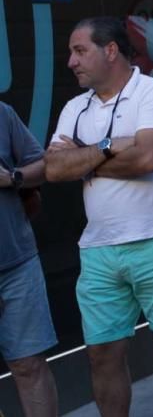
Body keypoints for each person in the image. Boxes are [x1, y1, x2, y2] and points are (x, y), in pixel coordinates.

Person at [44, 17, 153, 416]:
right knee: (101, 353)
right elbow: (54, 169)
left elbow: (148, 158)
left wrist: (84, 158)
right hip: (99, 250)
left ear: (110, 50)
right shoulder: (75, 106)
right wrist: (114, 145)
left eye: (80, 51)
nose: (70, 62)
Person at [0, 103, 58, 417]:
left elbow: (42, 165)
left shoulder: (3, 114)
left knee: (29, 365)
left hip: (16, 265)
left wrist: (12, 177)